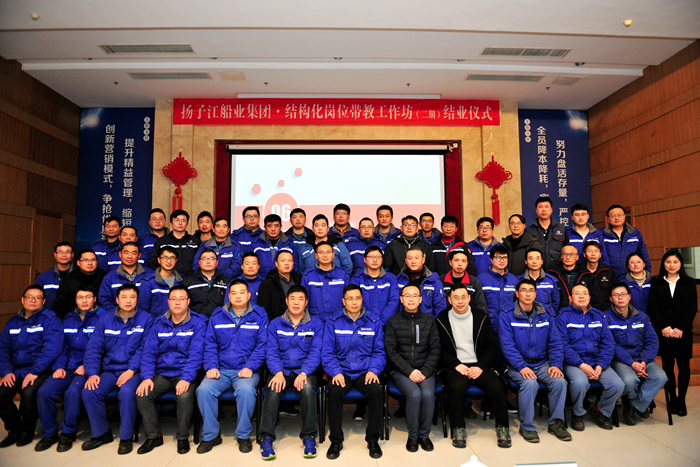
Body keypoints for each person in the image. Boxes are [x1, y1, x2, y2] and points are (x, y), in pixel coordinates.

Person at [197, 279, 268, 454]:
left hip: (246, 369)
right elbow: (210, 344)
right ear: (229, 296)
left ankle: (243, 436)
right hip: (220, 369)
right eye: (234, 293)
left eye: (242, 292)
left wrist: (251, 366)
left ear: (249, 295)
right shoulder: (217, 316)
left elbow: (262, 346)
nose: (238, 296)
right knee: (204, 390)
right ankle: (211, 436)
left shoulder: (259, 316)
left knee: (246, 391)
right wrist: (211, 366)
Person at [437, 283, 512, 448]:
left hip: (479, 364)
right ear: (450, 300)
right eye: (456, 298)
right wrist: (456, 364)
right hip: (455, 365)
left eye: (463, 297)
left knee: (496, 386)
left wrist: (481, 366)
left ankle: (502, 427)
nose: (460, 301)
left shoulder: (481, 317)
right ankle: (458, 428)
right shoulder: (441, 319)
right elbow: (438, 348)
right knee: (456, 387)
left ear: (469, 298)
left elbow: (492, 346)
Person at [81, 284, 153, 454]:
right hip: (110, 369)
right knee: (90, 391)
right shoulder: (105, 320)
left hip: (134, 370)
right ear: (117, 300)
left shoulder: (146, 319)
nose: (128, 301)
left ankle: (126, 438)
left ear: (137, 299)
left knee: (127, 392)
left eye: (132, 297)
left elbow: (145, 349)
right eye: (124, 297)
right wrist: (92, 373)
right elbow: (94, 348)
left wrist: (131, 370)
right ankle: (101, 433)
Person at [136, 285, 206, 455]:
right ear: (168, 302)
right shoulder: (159, 323)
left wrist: (186, 378)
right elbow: (148, 353)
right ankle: (154, 436)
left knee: (184, 396)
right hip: (162, 373)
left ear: (188, 301)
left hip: (185, 373)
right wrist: (147, 377)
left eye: (182, 299)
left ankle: (182, 438)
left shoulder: (197, 323)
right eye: (174, 299)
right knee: (143, 394)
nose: (177, 302)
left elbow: (196, 355)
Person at [35, 286, 106, 452]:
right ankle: (49, 433)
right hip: (67, 366)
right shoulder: (68, 319)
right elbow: (61, 347)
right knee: (44, 392)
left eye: (88, 297)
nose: (84, 301)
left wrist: (87, 366)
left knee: (73, 393)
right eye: (80, 297)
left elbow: (105, 349)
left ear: (94, 299)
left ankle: (68, 433)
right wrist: (59, 366)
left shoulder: (102, 319)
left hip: (88, 367)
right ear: (75, 300)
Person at [498, 279, 570, 443]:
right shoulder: (506, 315)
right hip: (516, 365)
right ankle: (527, 426)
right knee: (530, 384)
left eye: (531, 290)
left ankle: (556, 423)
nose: (528, 294)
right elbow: (506, 345)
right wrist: (521, 366)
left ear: (535, 294)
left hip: (542, 363)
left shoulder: (545, 314)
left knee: (559, 382)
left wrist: (556, 364)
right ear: (517, 294)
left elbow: (555, 342)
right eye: (524, 290)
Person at [258, 286, 324, 460]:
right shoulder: (275, 323)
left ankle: (309, 436)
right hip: (282, 369)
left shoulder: (316, 324)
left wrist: (304, 372)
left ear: (306, 302)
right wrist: (277, 372)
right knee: (273, 389)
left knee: (308, 389)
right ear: (286, 301)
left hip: (305, 370)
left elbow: (316, 352)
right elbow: (271, 351)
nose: (296, 302)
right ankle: (266, 437)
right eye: (292, 298)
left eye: (300, 299)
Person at [322, 285, 385, 460]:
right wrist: (335, 372)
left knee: (376, 391)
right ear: (344, 301)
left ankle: (373, 439)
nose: (354, 302)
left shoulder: (373, 321)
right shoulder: (333, 322)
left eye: (357, 298)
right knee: (334, 392)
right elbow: (327, 352)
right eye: (350, 298)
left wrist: (373, 370)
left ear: (362, 300)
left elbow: (379, 351)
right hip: (342, 370)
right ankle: (336, 441)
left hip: (365, 371)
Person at [0, 285, 62, 448]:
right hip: (16, 370)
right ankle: (14, 430)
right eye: (29, 297)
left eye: (37, 298)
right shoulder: (13, 322)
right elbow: (3, 349)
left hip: (41, 369)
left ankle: (27, 431)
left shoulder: (50, 320)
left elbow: (52, 349)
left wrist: (35, 371)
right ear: (23, 300)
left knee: (28, 393)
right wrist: (6, 371)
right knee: (1, 394)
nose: (33, 300)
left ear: (43, 301)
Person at [557, 284, 624, 431]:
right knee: (580, 383)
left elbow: (608, 343)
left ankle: (600, 410)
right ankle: (577, 413)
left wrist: (601, 365)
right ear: (570, 298)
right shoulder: (563, 317)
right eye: (577, 293)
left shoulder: (599, 316)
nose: (581, 296)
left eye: (584, 293)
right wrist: (581, 364)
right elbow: (562, 345)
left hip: (597, 361)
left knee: (617, 385)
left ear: (590, 297)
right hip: (574, 362)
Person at [385, 285, 440, 452]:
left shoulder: (429, 321)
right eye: (407, 296)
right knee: (414, 395)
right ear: (401, 299)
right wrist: (409, 371)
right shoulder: (393, 321)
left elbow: (435, 349)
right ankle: (413, 436)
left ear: (420, 299)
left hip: (425, 369)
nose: (411, 299)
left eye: (415, 295)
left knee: (428, 395)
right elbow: (391, 351)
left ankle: (424, 435)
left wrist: (425, 371)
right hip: (402, 370)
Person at [606, 283, 667, 426]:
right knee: (630, 380)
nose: (620, 298)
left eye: (623, 294)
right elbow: (611, 345)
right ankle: (639, 403)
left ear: (629, 296)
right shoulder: (605, 318)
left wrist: (644, 361)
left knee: (660, 377)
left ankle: (635, 404)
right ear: (611, 298)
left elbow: (652, 341)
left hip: (643, 358)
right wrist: (632, 363)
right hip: (620, 360)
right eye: (616, 295)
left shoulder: (642, 316)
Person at [647, 249, 697, 417]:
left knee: (684, 366)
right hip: (664, 332)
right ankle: (672, 399)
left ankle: (681, 400)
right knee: (667, 366)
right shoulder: (656, 282)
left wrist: (681, 327)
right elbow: (653, 306)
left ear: (680, 264)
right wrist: (663, 327)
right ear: (664, 264)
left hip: (683, 332)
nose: (671, 265)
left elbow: (692, 307)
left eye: (675, 262)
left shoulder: (689, 282)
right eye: (668, 262)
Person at [301, 241, 351, 322]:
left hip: (339, 320)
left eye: (328, 252)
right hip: (315, 321)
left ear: (333, 255)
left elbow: (349, 300)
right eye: (321, 252)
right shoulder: (308, 276)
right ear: (316, 255)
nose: (325, 255)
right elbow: (303, 301)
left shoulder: (343, 274)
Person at [98, 242, 153, 313]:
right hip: (118, 317)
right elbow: (104, 300)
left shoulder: (150, 274)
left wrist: (144, 316)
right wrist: (120, 314)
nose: (129, 256)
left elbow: (156, 301)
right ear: (120, 254)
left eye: (133, 253)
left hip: (145, 317)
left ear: (139, 255)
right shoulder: (110, 277)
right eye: (126, 253)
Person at [350, 245, 399, 326]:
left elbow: (394, 301)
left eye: (378, 257)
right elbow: (355, 302)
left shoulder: (391, 278)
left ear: (382, 260)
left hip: (387, 324)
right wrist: (369, 320)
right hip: (363, 324)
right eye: (371, 257)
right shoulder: (357, 279)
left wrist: (381, 322)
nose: (375, 260)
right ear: (365, 260)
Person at [599, 204, 651, 280]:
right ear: (608, 218)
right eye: (613, 216)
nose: (616, 218)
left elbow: (643, 254)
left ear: (624, 216)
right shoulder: (601, 235)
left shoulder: (635, 234)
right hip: (609, 276)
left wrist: (648, 272)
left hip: (632, 276)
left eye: (619, 215)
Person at [53, 249, 107, 320]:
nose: (90, 263)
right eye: (85, 260)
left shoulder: (105, 278)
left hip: (101, 319)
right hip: (75, 320)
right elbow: (59, 306)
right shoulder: (68, 281)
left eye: (93, 260)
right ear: (78, 263)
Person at [549, 244, 605, 311]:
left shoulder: (587, 275)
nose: (568, 257)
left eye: (572, 254)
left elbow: (596, 299)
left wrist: (590, 315)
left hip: (583, 314)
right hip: (559, 314)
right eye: (565, 254)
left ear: (577, 257)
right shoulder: (552, 275)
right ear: (561, 256)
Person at [395, 246, 446, 319]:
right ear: (406, 261)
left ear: (423, 260)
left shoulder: (434, 280)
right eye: (410, 258)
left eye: (417, 258)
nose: (413, 261)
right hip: (403, 322)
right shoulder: (398, 280)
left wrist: (432, 323)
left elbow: (440, 307)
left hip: (427, 323)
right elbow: (394, 305)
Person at [476, 245, 518, 335]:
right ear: (491, 260)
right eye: (498, 257)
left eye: (505, 258)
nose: (502, 260)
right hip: (488, 326)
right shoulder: (481, 279)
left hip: (508, 326)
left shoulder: (513, 280)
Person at [148, 209, 202, 277]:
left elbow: (200, 262)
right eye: (177, 220)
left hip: (191, 279)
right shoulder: (161, 242)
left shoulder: (196, 242)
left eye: (183, 220)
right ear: (171, 223)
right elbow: (153, 263)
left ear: (187, 224)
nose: (180, 223)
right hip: (168, 279)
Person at [525, 196, 570, 271]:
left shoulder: (561, 228)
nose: (543, 210)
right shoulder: (529, 230)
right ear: (536, 210)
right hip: (536, 271)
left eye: (546, 207)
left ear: (551, 210)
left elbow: (566, 249)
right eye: (540, 207)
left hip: (558, 271)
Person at [181, 249, 230, 318]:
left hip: (220, 319)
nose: (208, 261)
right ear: (199, 262)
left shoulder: (226, 281)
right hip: (195, 321)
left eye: (211, 259)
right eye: (204, 259)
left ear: (217, 263)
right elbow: (183, 304)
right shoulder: (188, 282)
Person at [245, 214, 297, 278]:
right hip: (261, 280)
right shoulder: (255, 244)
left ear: (280, 227)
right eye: (269, 226)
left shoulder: (289, 243)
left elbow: (295, 265)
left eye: (276, 226)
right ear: (265, 228)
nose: (273, 229)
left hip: (283, 281)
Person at [138, 246, 183, 318]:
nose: (169, 261)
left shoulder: (181, 280)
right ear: (159, 260)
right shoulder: (148, 282)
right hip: (156, 323)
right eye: (165, 258)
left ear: (176, 260)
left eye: (172, 258)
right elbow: (142, 310)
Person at [257, 250, 303, 322]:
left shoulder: (300, 281)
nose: (286, 263)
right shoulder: (267, 284)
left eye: (289, 260)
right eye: (283, 260)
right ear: (276, 264)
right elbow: (264, 310)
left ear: (293, 263)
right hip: (276, 325)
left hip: (299, 322)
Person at [440, 250, 486, 314]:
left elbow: (480, 306)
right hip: (446, 317)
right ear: (450, 263)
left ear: (467, 264)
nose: (460, 264)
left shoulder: (474, 282)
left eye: (463, 261)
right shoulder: (441, 281)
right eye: (456, 260)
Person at [519, 248, 560, 316]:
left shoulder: (551, 281)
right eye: (531, 258)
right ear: (526, 261)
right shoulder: (519, 281)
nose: (534, 262)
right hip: (524, 318)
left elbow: (555, 302)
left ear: (542, 261)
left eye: (537, 259)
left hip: (546, 318)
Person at [35, 241, 75, 311]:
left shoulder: (78, 276)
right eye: (60, 252)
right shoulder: (43, 277)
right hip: (49, 316)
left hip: (73, 316)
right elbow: (36, 299)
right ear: (55, 255)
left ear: (72, 255)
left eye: (67, 252)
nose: (64, 255)